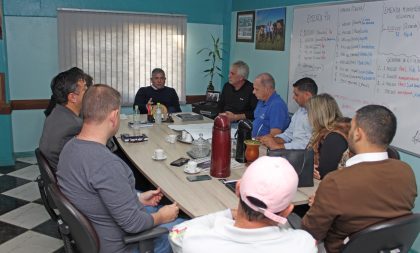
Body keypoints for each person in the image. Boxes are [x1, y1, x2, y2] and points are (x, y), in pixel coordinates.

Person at [57, 84, 182, 253]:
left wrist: (136, 199)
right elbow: (134, 224)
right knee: (191, 227)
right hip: (125, 245)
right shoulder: (106, 164)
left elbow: (97, 198)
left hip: (97, 237)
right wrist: (162, 217)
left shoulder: (69, 148)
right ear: (115, 116)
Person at [301, 105, 417, 253]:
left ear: (357, 134)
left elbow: (310, 233)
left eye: (351, 128)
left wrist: (321, 203)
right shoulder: (406, 171)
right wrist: (326, 201)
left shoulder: (337, 181)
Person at [169, 156, 317, 253]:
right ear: (287, 211)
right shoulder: (304, 245)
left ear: (238, 189)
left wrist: (226, 214)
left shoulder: (194, 240)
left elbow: (176, 232)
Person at [39, 67, 88, 169]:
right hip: (69, 178)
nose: (88, 92)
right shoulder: (74, 126)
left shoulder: (56, 112)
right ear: (72, 97)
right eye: (84, 89)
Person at [259, 77, 318, 150]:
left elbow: (308, 144)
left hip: (304, 155)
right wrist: (272, 140)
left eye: (296, 95)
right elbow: (288, 134)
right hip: (293, 151)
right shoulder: (300, 111)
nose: (294, 97)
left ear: (307, 95)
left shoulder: (316, 114)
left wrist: (279, 146)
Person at [307, 94, 350, 179]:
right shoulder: (325, 132)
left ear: (317, 115)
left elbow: (324, 173)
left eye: (309, 112)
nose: (308, 116)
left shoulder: (334, 138)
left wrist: (308, 170)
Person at [252, 73, 290, 137]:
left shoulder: (277, 105)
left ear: (267, 89)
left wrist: (256, 141)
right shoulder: (261, 100)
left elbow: (275, 135)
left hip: (264, 144)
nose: (253, 92)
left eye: (256, 89)